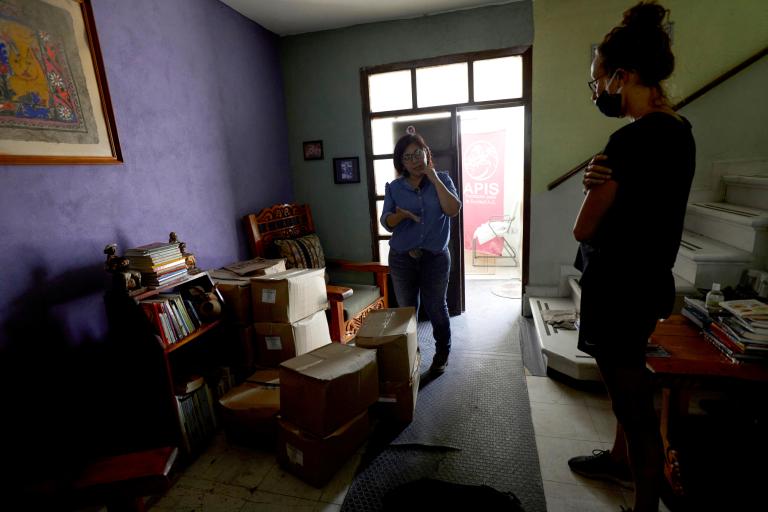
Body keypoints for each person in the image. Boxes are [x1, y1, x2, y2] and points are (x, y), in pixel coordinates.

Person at [568, 2, 695, 512]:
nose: (598, 91)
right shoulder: (680, 131)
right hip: (648, 283)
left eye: (600, 80)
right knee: (630, 382)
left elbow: (584, 225)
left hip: (617, 287)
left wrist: (591, 187)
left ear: (625, 76)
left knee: (631, 401)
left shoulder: (628, 140)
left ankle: (643, 503)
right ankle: (620, 460)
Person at [380, 132, 462, 373]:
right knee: (407, 310)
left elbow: (453, 209)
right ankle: (410, 354)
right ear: (401, 163)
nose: (415, 160)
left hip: (435, 257)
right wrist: (402, 215)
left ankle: (442, 353)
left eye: (419, 153)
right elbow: (386, 222)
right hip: (402, 258)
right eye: (408, 157)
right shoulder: (395, 188)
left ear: (427, 154)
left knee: (436, 306)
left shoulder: (443, 179)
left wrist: (433, 178)